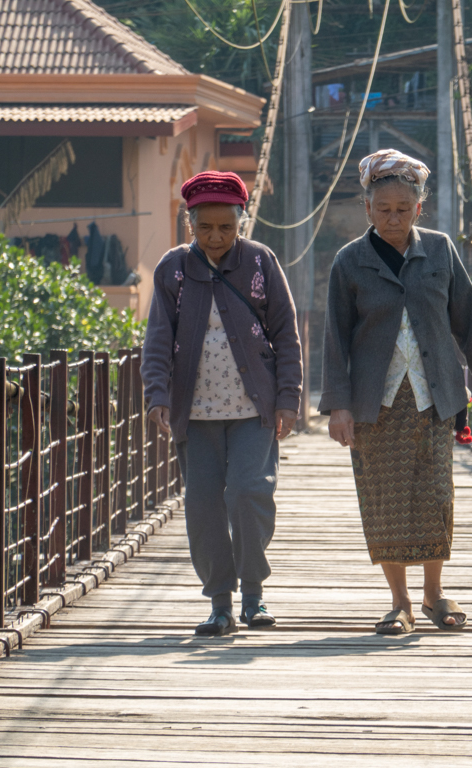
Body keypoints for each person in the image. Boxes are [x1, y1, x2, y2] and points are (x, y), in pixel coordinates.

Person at [320, 149, 472, 635]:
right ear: (367, 210)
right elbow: (335, 339)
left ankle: (434, 594)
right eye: (384, 210)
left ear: (420, 209)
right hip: (373, 403)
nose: (394, 217)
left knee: (436, 496)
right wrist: (337, 407)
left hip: (437, 397)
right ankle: (398, 601)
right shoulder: (349, 262)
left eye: (404, 209)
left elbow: (467, 321)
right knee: (385, 499)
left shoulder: (440, 251)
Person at [142, 171, 302, 636]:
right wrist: (157, 396)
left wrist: (288, 399)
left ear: (241, 223)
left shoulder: (260, 263)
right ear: (189, 223)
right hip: (195, 414)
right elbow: (157, 341)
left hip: (255, 409)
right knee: (204, 504)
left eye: (226, 228)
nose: (215, 237)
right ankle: (219, 603)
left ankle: (253, 594)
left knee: (250, 492)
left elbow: (286, 336)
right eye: (205, 227)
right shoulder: (172, 269)